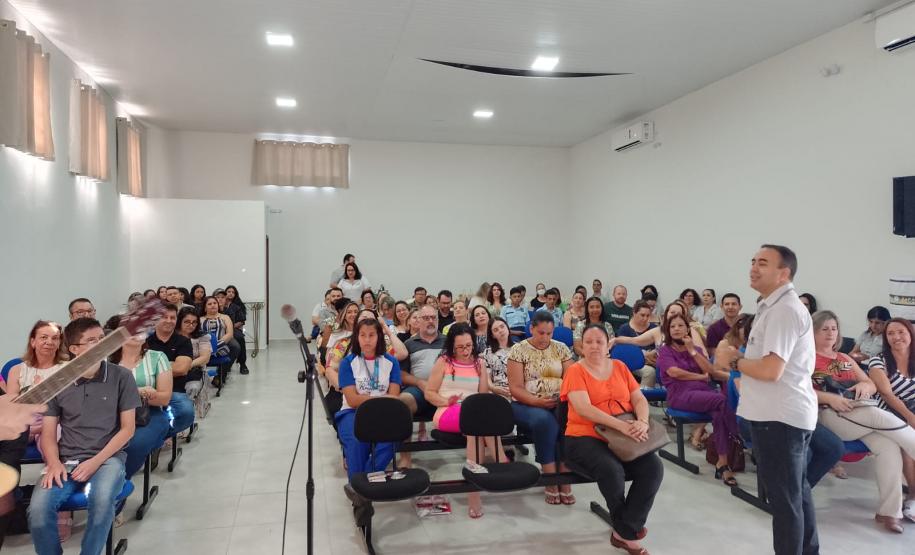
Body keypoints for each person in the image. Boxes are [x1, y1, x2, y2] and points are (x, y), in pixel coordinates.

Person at [715, 244, 819, 555]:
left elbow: (771, 370)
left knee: (785, 501)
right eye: (753, 261)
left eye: (762, 263)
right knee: (795, 493)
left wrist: (734, 360)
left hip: (780, 418)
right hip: (777, 414)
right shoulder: (771, 306)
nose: (753, 268)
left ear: (783, 273)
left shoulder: (784, 310)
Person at [28, 318, 140, 555]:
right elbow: (48, 435)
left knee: (101, 503)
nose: (102, 344)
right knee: (37, 511)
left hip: (107, 458)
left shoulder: (121, 376)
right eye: (92, 341)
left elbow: (127, 429)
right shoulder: (56, 382)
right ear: (74, 349)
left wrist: (95, 462)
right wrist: (54, 463)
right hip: (66, 459)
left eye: (103, 339)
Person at [809, 310, 915, 532]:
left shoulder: (844, 358)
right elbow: (798, 390)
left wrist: (864, 387)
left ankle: (890, 512)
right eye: (824, 329)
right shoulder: (805, 357)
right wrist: (829, 398)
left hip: (857, 413)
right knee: (878, 415)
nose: (830, 333)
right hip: (828, 415)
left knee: (889, 447)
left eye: (834, 328)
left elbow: (870, 383)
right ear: (813, 331)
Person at [562, 324, 662, 554]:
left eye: (599, 341)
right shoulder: (575, 371)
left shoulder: (620, 367)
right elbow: (584, 409)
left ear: (608, 344)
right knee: (611, 469)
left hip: (622, 435)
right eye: (588, 342)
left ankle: (624, 530)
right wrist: (622, 426)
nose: (594, 346)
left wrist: (642, 421)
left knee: (653, 468)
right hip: (585, 436)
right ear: (581, 346)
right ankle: (628, 532)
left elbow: (638, 399)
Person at [2, 321, 67, 547]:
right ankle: (12, 503)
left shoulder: (66, 369)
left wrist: (41, 428)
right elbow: (12, 407)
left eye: (54, 338)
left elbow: (69, 408)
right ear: (33, 341)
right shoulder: (17, 370)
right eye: (43, 337)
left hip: (56, 422)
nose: (49, 342)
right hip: (23, 423)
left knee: (55, 445)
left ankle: (60, 511)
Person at [424, 323, 499, 518]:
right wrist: (445, 401)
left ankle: (476, 487)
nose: (465, 351)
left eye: (468, 346)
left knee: (476, 425)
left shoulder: (479, 363)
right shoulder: (444, 361)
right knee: (475, 423)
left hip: (472, 413)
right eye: (460, 347)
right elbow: (429, 393)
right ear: (452, 346)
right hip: (447, 410)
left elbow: (483, 396)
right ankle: (500, 461)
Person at [658, 314, 740, 486]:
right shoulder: (665, 350)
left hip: (704, 393)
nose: (676, 329)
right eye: (673, 326)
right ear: (668, 330)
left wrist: (692, 351)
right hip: (680, 394)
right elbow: (674, 372)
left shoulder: (695, 349)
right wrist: (699, 377)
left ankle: (723, 463)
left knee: (719, 414)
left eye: (680, 325)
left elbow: (709, 370)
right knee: (722, 401)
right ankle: (740, 435)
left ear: (687, 329)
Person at [507, 311, 575, 505]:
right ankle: (550, 480)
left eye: (549, 333)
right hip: (525, 403)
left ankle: (565, 479)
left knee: (568, 420)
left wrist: (560, 398)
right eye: (541, 333)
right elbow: (515, 388)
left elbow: (571, 380)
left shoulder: (561, 348)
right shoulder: (518, 350)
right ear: (531, 329)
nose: (545, 338)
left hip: (558, 401)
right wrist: (536, 401)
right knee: (545, 422)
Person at [105, 316, 173, 479]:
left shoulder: (157, 357)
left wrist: (121, 395)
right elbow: (101, 395)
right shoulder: (106, 360)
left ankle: (120, 481)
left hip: (148, 414)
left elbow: (164, 398)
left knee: (134, 444)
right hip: (111, 414)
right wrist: (139, 392)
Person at [335, 318, 401, 479]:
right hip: (352, 413)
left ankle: (364, 480)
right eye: (362, 335)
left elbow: (393, 398)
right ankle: (359, 486)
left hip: (382, 412)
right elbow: (352, 400)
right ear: (357, 337)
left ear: (379, 337)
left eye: (371, 335)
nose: (367, 340)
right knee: (357, 441)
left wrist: (366, 398)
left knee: (394, 436)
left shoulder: (391, 362)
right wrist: (380, 397)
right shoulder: (348, 363)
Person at [867, 317, 915, 522]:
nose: (896, 337)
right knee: (907, 442)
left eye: (901, 332)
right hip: (888, 413)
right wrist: (911, 418)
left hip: (912, 410)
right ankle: (913, 496)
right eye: (891, 334)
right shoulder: (878, 360)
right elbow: (887, 395)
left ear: (910, 334)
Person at [146, 304, 196, 436]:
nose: (169, 321)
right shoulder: (146, 342)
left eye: (172, 318)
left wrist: (153, 367)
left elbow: (181, 369)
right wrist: (170, 364)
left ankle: (162, 436)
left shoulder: (183, 342)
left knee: (187, 413)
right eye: (164, 317)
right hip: (149, 389)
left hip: (175, 391)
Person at [615, 300, 659, 388]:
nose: (645, 318)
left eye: (648, 316)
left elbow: (659, 346)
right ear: (634, 313)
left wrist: (654, 353)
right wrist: (644, 355)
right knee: (649, 372)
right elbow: (623, 352)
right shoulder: (624, 329)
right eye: (642, 315)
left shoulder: (654, 328)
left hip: (653, 361)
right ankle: (644, 395)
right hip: (633, 362)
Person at [175, 307, 213, 409]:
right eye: (187, 322)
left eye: (194, 322)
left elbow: (205, 358)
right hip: (173, 371)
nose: (191, 325)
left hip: (194, 371)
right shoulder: (172, 335)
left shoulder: (202, 336)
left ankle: (187, 411)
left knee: (192, 387)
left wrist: (186, 366)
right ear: (180, 321)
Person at [201, 295, 240, 379]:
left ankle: (220, 375)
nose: (213, 305)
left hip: (222, 344)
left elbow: (229, 334)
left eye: (215, 303)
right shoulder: (200, 319)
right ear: (205, 308)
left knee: (233, 347)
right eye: (209, 304)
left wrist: (216, 344)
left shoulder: (225, 317)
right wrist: (208, 346)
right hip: (204, 345)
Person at [482, 317, 513, 400]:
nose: (500, 330)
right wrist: (493, 388)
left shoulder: (519, 348)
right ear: (492, 335)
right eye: (496, 330)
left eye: (502, 326)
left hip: (518, 391)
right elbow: (487, 377)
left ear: (507, 327)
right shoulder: (488, 352)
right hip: (498, 392)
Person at [224, 285, 249, 375]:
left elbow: (241, 321)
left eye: (233, 292)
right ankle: (226, 364)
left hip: (234, 329)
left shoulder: (237, 306)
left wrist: (230, 327)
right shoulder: (219, 304)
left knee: (240, 338)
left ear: (235, 294)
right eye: (228, 292)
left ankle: (243, 364)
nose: (230, 293)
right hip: (221, 329)